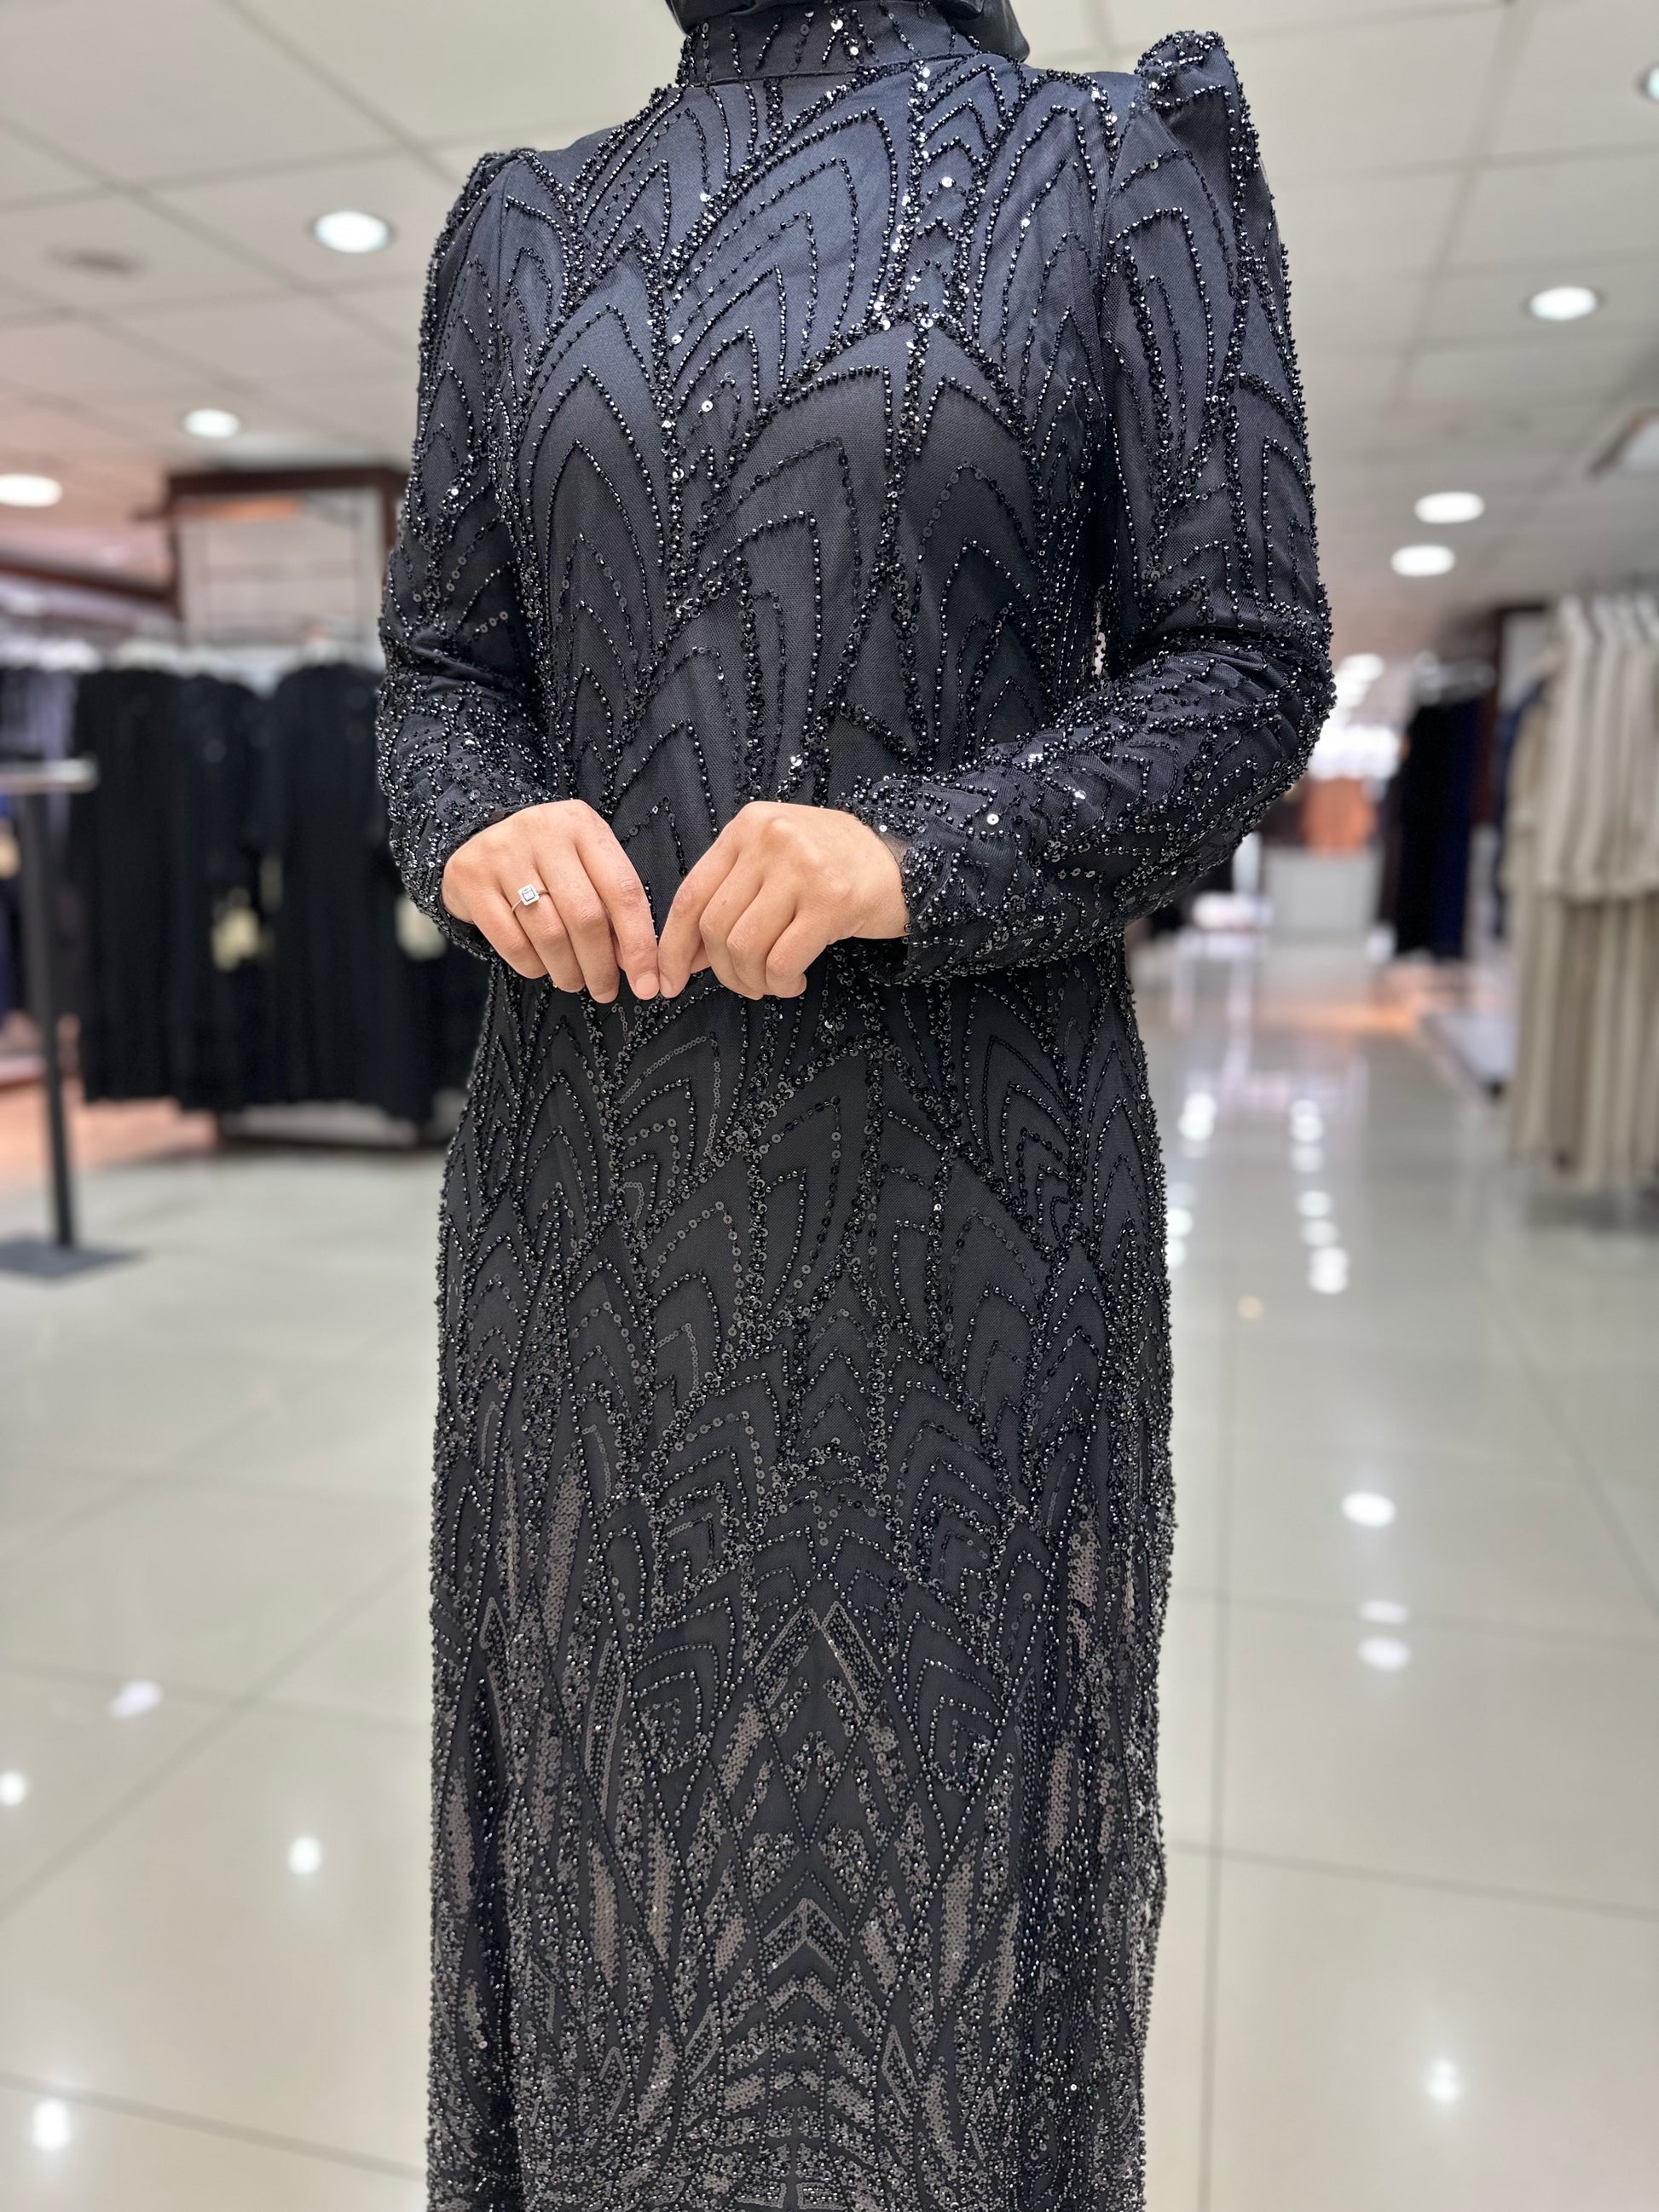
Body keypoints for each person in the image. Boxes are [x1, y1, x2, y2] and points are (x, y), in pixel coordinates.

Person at [378, 3, 1331, 2204]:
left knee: (934, 1880)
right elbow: (442, 670)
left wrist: (918, 853)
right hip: (591, 1216)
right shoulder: (520, 229)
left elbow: (1244, 661)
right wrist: (475, 819)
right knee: (609, 1847)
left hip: (953, 1219)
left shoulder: (1116, 160)